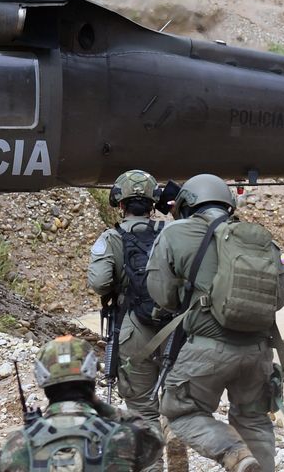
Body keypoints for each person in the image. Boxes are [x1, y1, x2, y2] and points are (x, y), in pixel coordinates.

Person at [146, 174, 284, 472]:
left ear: (187, 204)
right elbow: (281, 296)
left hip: (206, 349)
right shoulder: (261, 238)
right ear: (229, 204)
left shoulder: (176, 233)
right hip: (258, 351)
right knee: (254, 418)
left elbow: (161, 294)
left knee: (181, 413)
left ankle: (235, 455)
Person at [87, 169, 185, 472]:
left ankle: (152, 463)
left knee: (141, 409)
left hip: (133, 330)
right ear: (154, 203)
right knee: (174, 400)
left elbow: (100, 283)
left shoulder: (112, 237)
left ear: (120, 204)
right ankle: (174, 431)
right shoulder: (174, 232)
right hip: (176, 331)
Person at [0, 335, 164, 471]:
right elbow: (154, 442)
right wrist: (102, 407)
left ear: (43, 382)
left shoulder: (17, 445)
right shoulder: (122, 437)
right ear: (91, 377)